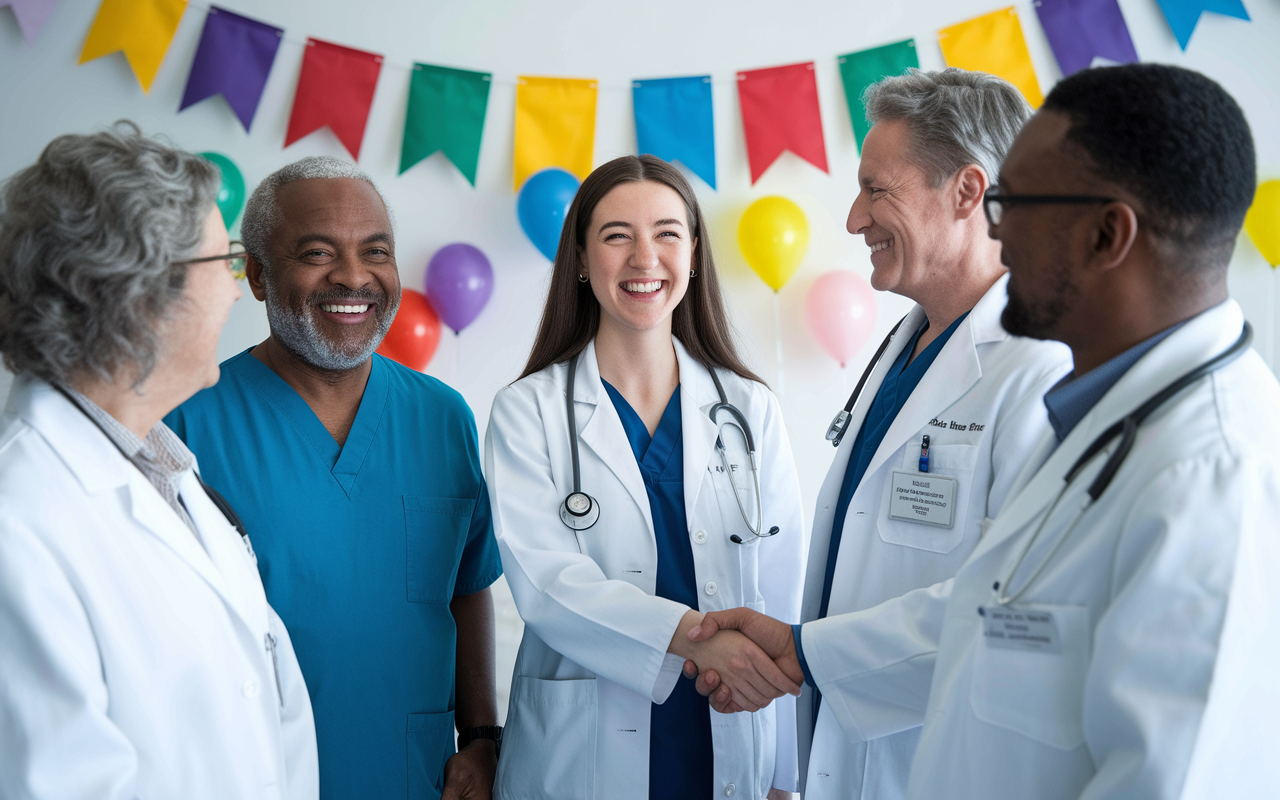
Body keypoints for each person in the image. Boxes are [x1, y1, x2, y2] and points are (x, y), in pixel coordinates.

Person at [692, 63, 1280, 799]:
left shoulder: (1212, 469)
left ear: (1107, 234)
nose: (999, 230)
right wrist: (807, 660)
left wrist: (812, 658)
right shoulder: (1111, 415)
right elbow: (996, 611)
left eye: (1019, 203)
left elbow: (1177, 776)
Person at [688, 68, 1071, 800]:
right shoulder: (903, 342)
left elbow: (1011, 609)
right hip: (843, 761)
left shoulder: (1042, 368)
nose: (854, 219)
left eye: (877, 190)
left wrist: (806, 656)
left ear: (967, 191)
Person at [166, 156, 503, 800]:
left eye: (376, 251)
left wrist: (483, 736)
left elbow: (467, 586)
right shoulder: (185, 420)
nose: (353, 276)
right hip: (252, 775)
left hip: (417, 775)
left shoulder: (443, 416)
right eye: (318, 253)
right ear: (259, 276)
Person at [0, 123, 318, 798]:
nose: (238, 293)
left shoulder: (169, 475)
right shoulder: (17, 523)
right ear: (141, 294)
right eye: (224, 262)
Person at [484, 154, 808, 800]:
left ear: (693, 253)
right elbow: (547, 587)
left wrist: (782, 773)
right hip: (584, 752)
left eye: (666, 233)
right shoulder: (527, 412)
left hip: (728, 727)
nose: (644, 258)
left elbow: (782, 588)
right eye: (616, 236)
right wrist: (693, 639)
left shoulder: (748, 409)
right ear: (580, 259)